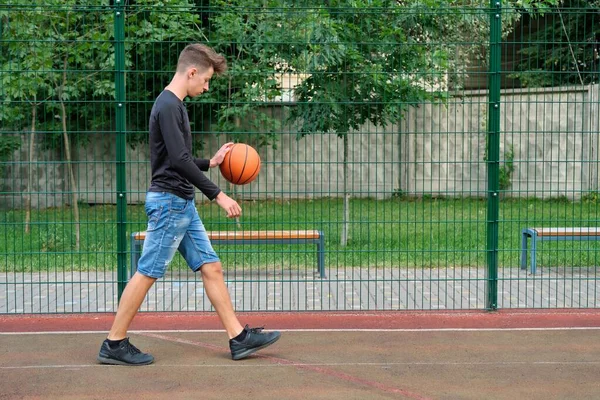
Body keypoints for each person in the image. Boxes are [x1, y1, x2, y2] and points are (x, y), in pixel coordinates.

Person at [97, 43, 281, 366]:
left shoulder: (176, 105)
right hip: (170, 203)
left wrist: (211, 161)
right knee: (147, 272)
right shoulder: (168, 105)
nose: (207, 87)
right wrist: (218, 194)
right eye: (206, 80)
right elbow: (179, 162)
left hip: (181, 203)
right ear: (192, 72)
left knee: (211, 266)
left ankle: (238, 338)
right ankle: (114, 342)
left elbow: (175, 157)